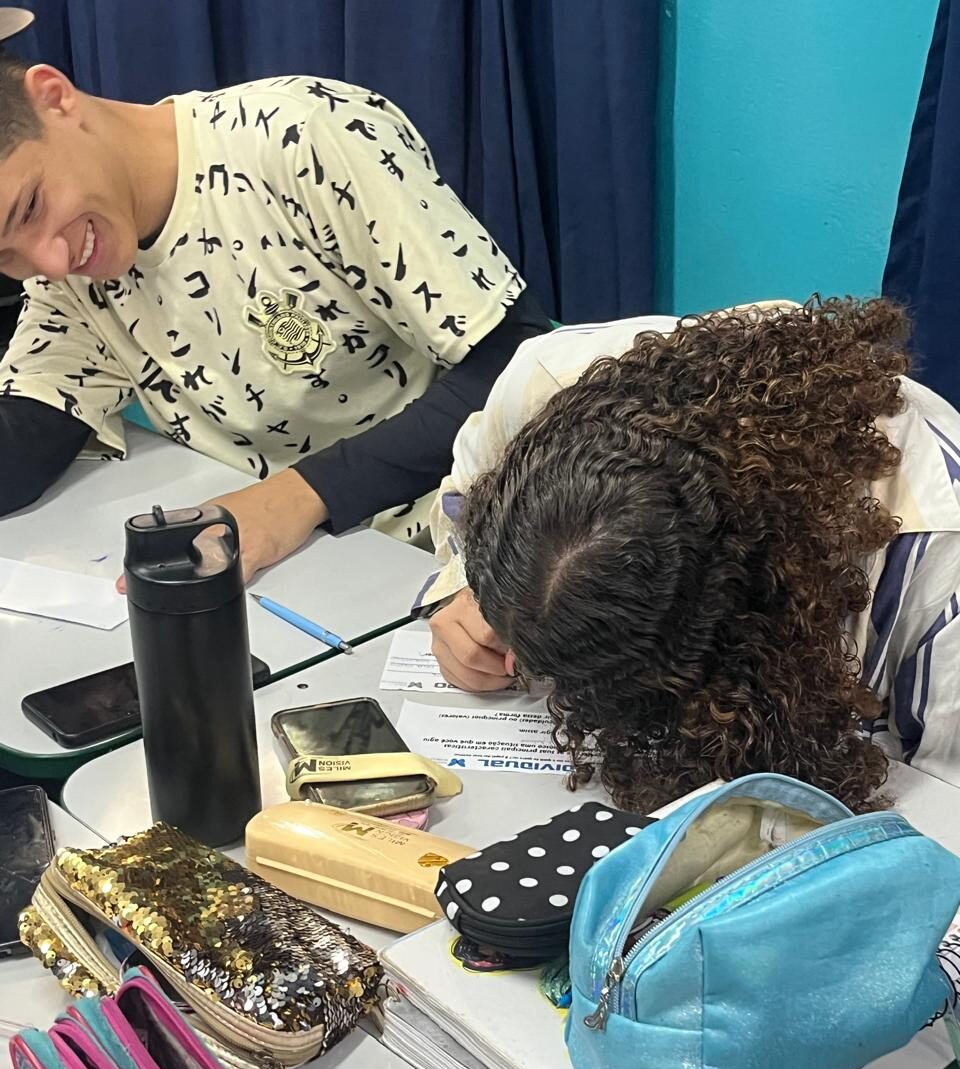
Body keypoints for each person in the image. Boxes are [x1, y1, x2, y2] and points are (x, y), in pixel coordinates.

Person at [0, 53, 550, 579]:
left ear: (55, 97)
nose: (50, 262)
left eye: (31, 207)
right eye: (5, 256)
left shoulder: (306, 136)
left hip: (460, 550)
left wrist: (297, 497)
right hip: (294, 571)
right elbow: (29, 435)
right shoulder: (67, 269)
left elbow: (517, 366)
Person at [420, 297, 960, 812]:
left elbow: (944, 808)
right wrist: (478, 596)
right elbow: (462, 502)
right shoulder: (544, 385)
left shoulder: (938, 558)